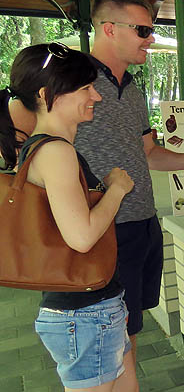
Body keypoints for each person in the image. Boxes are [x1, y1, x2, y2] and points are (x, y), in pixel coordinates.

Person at [72, 0, 184, 358]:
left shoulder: (133, 90)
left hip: (142, 223)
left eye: (151, 29)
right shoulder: (73, 82)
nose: (151, 38)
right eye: (142, 30)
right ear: (109, 29)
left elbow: (148, 153)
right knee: (103, 345)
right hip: (101, 229)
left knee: (127, 334)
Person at [0, 43, 139, 391]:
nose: (97, 96)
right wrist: (117, 190)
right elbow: (81, 237)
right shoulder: (56, 152)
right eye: (85, 89)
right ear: (48, 95)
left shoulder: (37, 147)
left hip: (94, 306)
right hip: (86, 312)